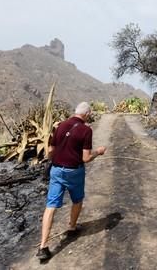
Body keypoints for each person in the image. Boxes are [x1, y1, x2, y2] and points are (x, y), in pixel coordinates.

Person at [37, 101, 107, 261]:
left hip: (56, 170)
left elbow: (50, 152)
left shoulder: (60, 125)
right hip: (74, 172)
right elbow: (86, 158)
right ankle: (72, 227)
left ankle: (43, 246)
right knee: (77, 200)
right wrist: (99, 151)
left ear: (76, 112)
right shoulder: (86, 130)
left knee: (51, 206)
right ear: (87, 114)